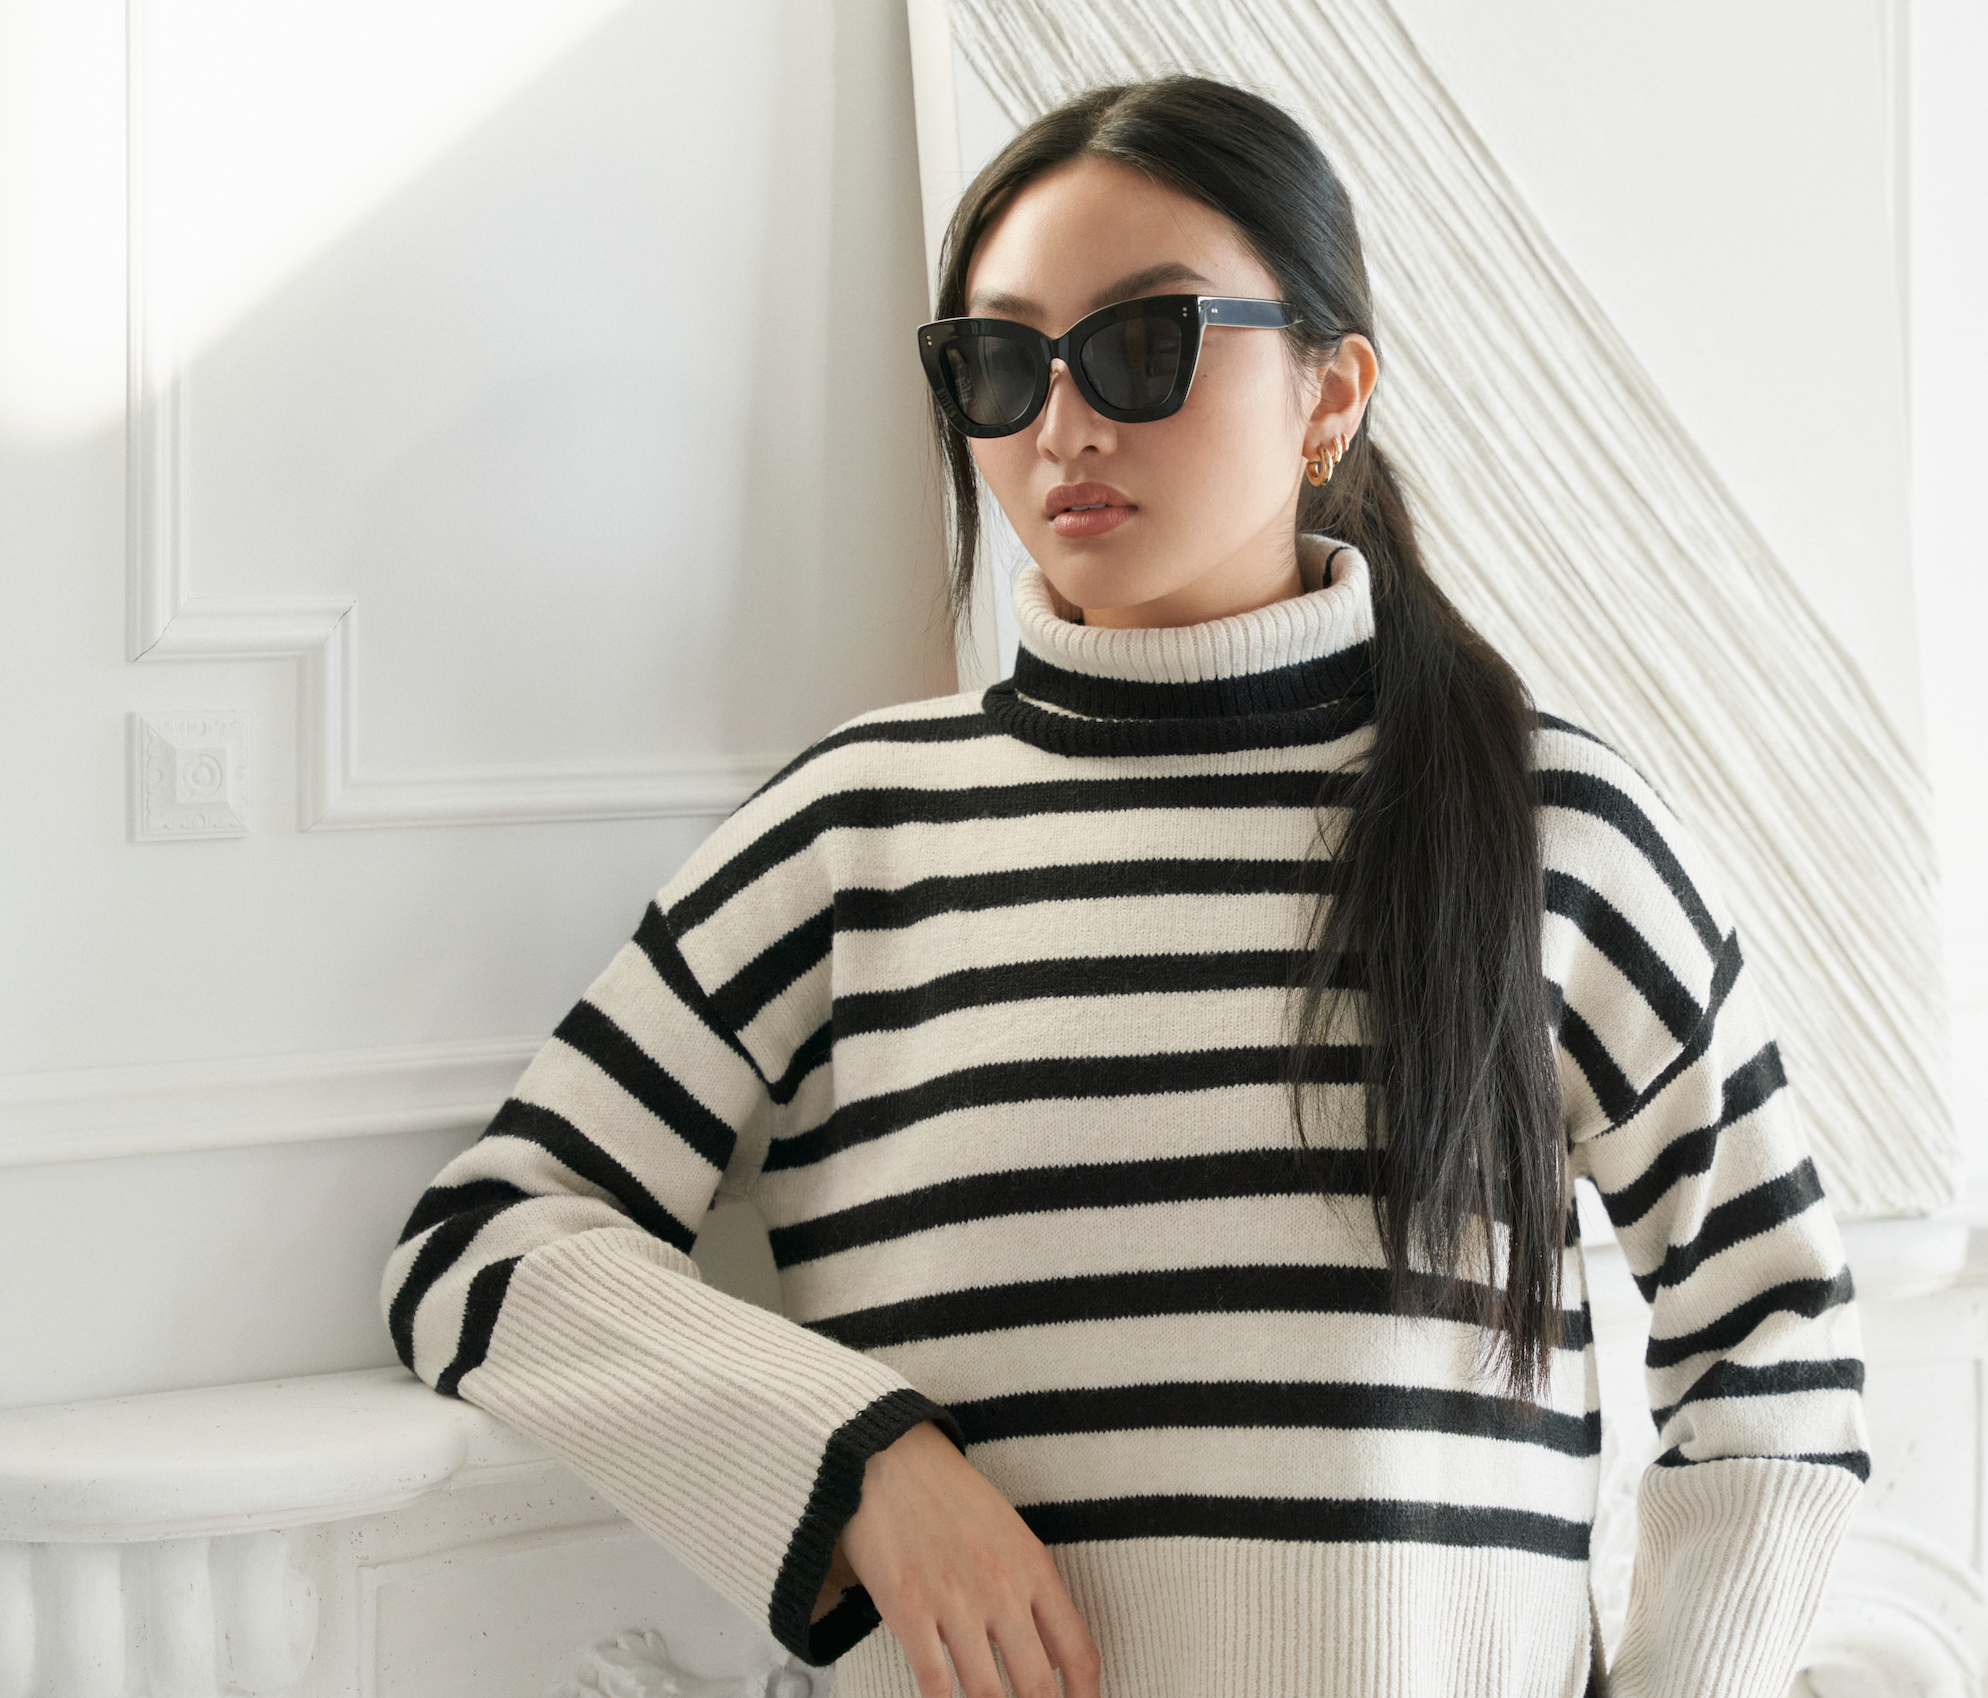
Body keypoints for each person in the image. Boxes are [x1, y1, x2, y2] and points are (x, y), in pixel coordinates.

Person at [382, 75, 1867, 1698]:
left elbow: (1780, 1326)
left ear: (1330, 393)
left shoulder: (1546, 830)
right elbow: (482, 1243)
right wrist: (864, 1467)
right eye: (1001, 364)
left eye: (1144, 345)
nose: (1063, 425)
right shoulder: (852, 832)